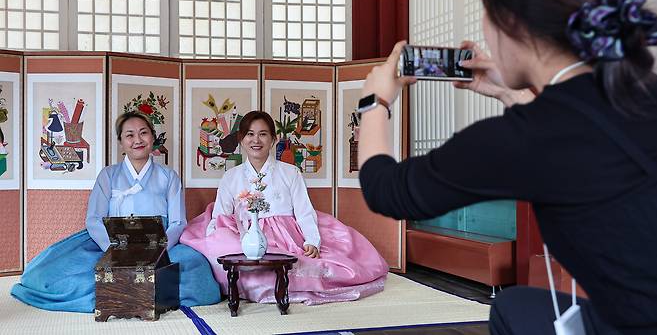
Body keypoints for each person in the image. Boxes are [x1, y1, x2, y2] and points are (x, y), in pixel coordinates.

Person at [357, 0, 657, 334]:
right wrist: (508, 91)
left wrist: (374, 102)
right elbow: (573, 135)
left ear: (510, 22)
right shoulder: (639, 89)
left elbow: (385, 188)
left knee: (512, 309)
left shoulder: (526, 138)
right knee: (516, 306)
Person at [11, 111, 220, 312]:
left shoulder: (168, 176)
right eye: (129, 135)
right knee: (52, 272)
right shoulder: (108, 175)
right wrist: (114, 248)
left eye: (144, 132)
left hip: (160, 242)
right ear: (121, 142)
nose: (137, 139)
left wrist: (157, 248)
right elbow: (93, 219)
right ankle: (141, 294)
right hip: (113, 240)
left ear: (153, 137)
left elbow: (178, 222)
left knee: (196, 267)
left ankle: (126, 293)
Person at [181, 110, 388, 305]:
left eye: (263, 134)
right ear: (241, 140)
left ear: (273, 139)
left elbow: (304, 211)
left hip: (287, 237)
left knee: (311, 266)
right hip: (246, 236)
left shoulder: (291, 173)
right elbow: (220, 215)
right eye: (250, 134)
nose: (256, 140)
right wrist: (213, 239)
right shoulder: (231, 177)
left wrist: (312, 241)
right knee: (228, 252)